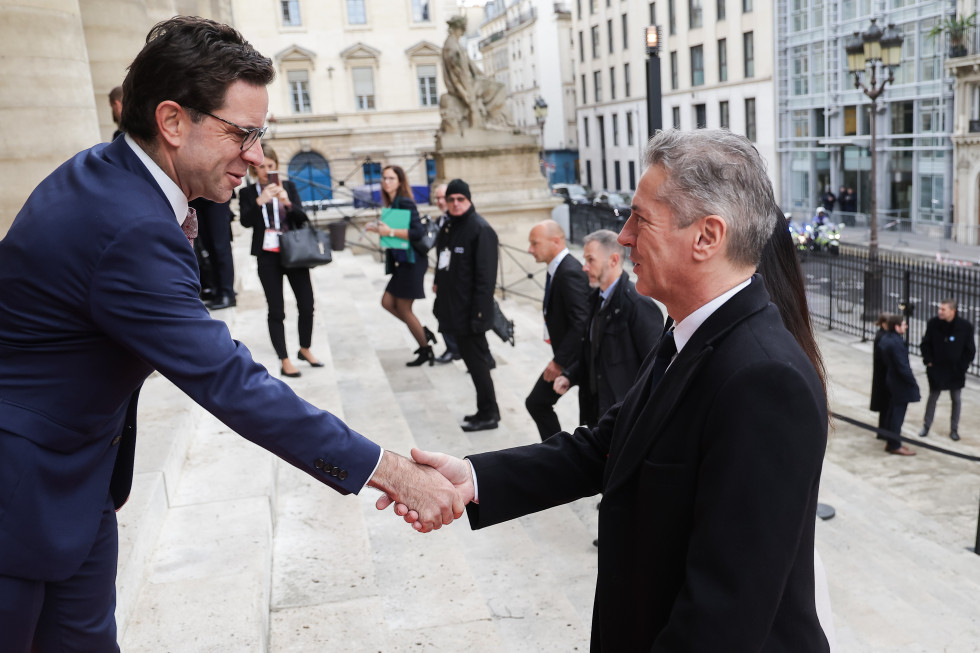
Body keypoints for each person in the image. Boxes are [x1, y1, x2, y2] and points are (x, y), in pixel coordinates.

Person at [0, 17, 460, 650]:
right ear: (172, 121)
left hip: (75, 486)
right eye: (242, 133)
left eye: (260, 134)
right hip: (21, 498)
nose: (258, 155)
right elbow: (229, 381)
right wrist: (391, 471)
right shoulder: (129, 225)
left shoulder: (109, 176)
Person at [388, 129, 832, 651]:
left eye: (640, 218)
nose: (622, 236)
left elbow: (723, 615)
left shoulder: (765, 379)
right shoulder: (687, 333)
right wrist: (474, 477)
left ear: (707, 237)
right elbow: (607, 446)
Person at [553, 229, 663, 428]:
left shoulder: (637, 305)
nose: (584, 267)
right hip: (598, 414)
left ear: (613, 260)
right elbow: (593, 353)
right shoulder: (595, 299)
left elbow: (657, 368)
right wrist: (570, 375)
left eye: (590, 260)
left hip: (625, 418)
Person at [239, 144, 320, 377]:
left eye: (271, 166)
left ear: (277, 167)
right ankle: (284, 359)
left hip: (294, 252)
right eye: (262, 167)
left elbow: (303, 218)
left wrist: (287, 203)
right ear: (255, 169)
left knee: (307, 304)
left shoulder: (290, 187)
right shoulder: (248, 193)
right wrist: (259, 202)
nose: (266, 171)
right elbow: (245, 222)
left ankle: (305, 348)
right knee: (276, 309)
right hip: (267, 255)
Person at [432, 178, 500, 431]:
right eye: (451, 200)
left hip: (472, 314)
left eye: (460, 199)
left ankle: (489, 414)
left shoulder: (480, 229)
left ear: (469, 200)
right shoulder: (451, 227)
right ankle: (485, 410)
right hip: (455, 310)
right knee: (473, 364)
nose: (455, 203)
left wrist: (479, 315)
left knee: (478, 365)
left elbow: (486, 279)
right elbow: (443, 260)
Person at [365, 165, 437, 366]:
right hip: (403, 262)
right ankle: (422, 334)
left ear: (399, 181)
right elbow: (395, 229)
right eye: (384, 178)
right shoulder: (392, 202)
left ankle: (426, 350)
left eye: (391, 178)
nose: (386, 182)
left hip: (413, 262)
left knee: (404, 308)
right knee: (387, 303)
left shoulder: (405, 202)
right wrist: (378, 228)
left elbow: (416, 233)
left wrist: (388, 232)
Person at [525, 219, 590, 440]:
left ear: (555, 241)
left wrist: (559, 362)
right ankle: (556, 454)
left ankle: (557, 455)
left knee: (537, 402)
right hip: (570, 356)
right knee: (537, 403)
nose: (529, 249)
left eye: (535, 243)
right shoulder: (556, 268)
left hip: (577, 359)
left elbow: (581, 320)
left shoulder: (568, 270)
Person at [918, 298, 976, 441]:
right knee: (933, 397)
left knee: (956, 399)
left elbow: (970, 350)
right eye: (940, 309)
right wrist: (929, 361)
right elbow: (925, 344)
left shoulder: (965, 327)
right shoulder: (933, 324)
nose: (940, 312)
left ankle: (954, 429)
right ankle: (926, 425)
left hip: (955, 371)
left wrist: (962, 366)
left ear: (952, 311)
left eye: (943, 309)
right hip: (937, 369)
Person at [877, 314, 919, 455]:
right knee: (897, 415)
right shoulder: (896, 343)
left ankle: (891, 442)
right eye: (903, 324)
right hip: (899, 383)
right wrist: (913, 383)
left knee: (892, 411)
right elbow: (903, 367)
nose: (906, 326)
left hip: (891, 379)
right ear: (896, 327)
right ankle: (895, 444)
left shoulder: (886, 339)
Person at [430, 183, 462, 364]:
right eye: (437, 198)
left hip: (457, 278)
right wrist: (437, 279)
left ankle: (481, 356)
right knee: (441, 311)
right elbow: (441, 253)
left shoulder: (457, 220)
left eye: (444, 198)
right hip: (445, 276)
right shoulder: (440, 220)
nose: (440, 202)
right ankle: (454, 348)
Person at [190, 197, 237, 310]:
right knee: (208, 248)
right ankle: (217, 291)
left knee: (220, 247)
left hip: (215, 198)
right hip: (195, 198)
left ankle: (227, 293)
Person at [870, 313, 891, 438]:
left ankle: (883, 431)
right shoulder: (882, 337)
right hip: (883, 376)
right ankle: (883, 432)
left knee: (885, 407)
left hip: (882, 375)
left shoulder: (882, 335)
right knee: (885, 407)